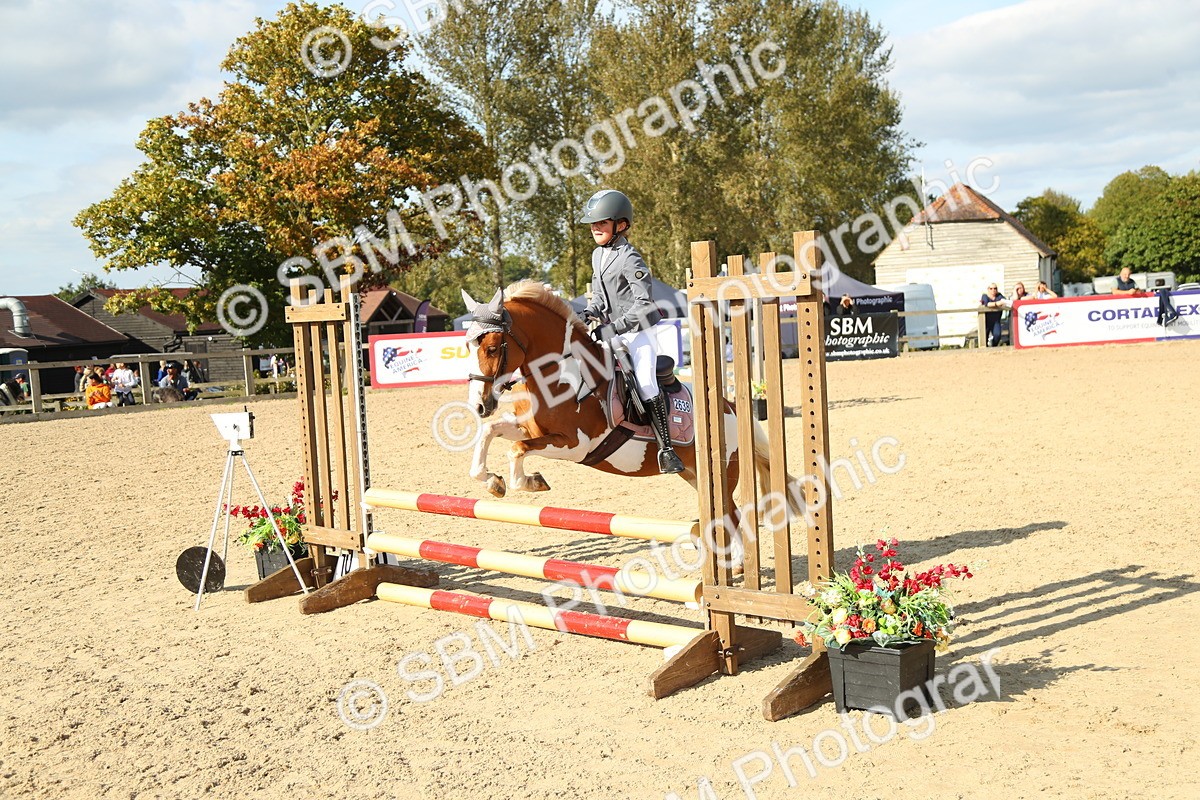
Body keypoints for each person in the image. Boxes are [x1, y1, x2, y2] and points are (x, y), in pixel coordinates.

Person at [577, 189, 683, 474]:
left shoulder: (630, 258)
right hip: (611, 332)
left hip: (638, 333)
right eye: (593, 223)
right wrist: (590, 312)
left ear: (620, 225)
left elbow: (644, 305)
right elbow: (599, 298)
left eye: (601, 222)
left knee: (646, 383)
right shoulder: (597, 255)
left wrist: (615, 327)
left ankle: (667, 449)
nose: (595, 228)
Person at [979, 283, 1007, 347]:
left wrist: (1001, 303)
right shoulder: (985, 296)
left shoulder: (999, 296)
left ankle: (993, 346)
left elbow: (1004, 301)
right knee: (984, 337)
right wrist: (997, 304)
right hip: (985, 321)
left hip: (996, 321)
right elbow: (987, 304)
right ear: (988, 289)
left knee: (997, 335)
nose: (993, 290)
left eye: (995, 288)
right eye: (991, 288)